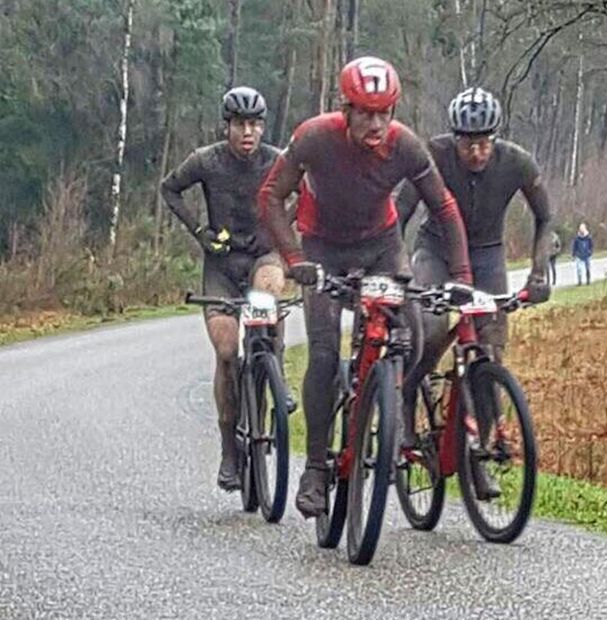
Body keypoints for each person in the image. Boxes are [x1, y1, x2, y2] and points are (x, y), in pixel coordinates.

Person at [257, 56, 472, 518]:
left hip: (381, 246)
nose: (376, 124)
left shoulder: (406, 145)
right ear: (346, 109)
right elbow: (271, 197)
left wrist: (462, 278)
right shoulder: (314, 137)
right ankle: (315, 467)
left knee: (412, 340)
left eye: (385, 112)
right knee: (319, 351)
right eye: (365, 112)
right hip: (322, 248)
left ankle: (391, 409)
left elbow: (445, 208)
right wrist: (295, 259)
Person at [396, 86, 551, 499]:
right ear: (455, 139)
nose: (477, 153)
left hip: (487, 256)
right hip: (435, 251)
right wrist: (395, 269)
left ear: (495, 139)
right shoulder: (436, 155)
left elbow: (546, 218)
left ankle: (479, 454)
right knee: (429, 328)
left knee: (488, 353)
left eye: (484, 144)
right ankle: (408, 397)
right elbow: (402, 213)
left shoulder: (516, 162)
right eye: (468, 144)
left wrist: (538, 271)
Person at [160, 86, 285, 492]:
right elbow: (170, 188)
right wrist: (200, 232)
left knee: (268, 299)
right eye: (240, 125)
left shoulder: (277, 161)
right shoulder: (206, 160)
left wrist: (285, 234)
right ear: (227, 126)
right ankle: (230, 449)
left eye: (255, 125)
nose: (248, 133)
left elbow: (309, 193)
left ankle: (276, 379)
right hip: (222, 265)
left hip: (263, 256)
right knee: (228, 352)